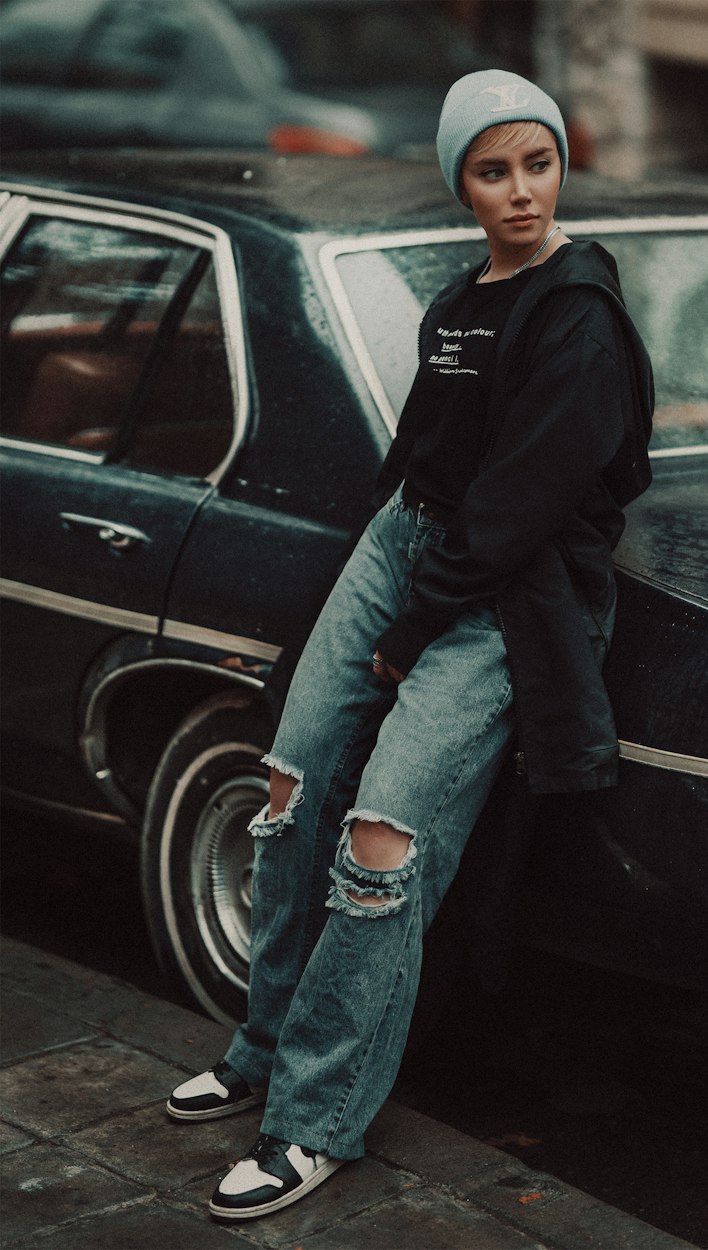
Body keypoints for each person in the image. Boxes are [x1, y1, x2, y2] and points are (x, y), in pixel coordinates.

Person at [166, 68, 654, 1222]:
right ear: (461, 183)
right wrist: (393, 573)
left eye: (537, 163)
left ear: (559, 167)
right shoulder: (461, 299)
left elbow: (521, 502)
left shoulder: (578, 312)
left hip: (501, 588)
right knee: (289, 788)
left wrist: (411, 622)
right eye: (493, 170)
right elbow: (420, 462)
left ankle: (315, 1119)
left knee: (381, 847)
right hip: (404, 546)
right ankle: (261, 1045)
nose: (522, 190)